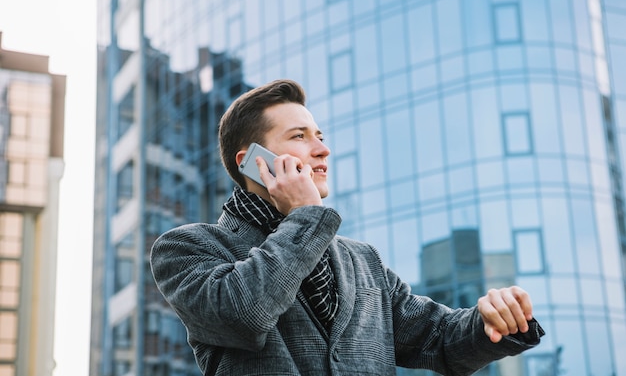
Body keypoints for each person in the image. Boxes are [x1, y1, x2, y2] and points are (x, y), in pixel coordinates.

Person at [150, 79, 544, 376]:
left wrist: (489, 320)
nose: (323, 149)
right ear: (254, 162)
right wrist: (305, 215)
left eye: (320, 136)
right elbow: (244, 314)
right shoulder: (187, 248)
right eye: (299, 137)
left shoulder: (363, 260)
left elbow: (437, 337)